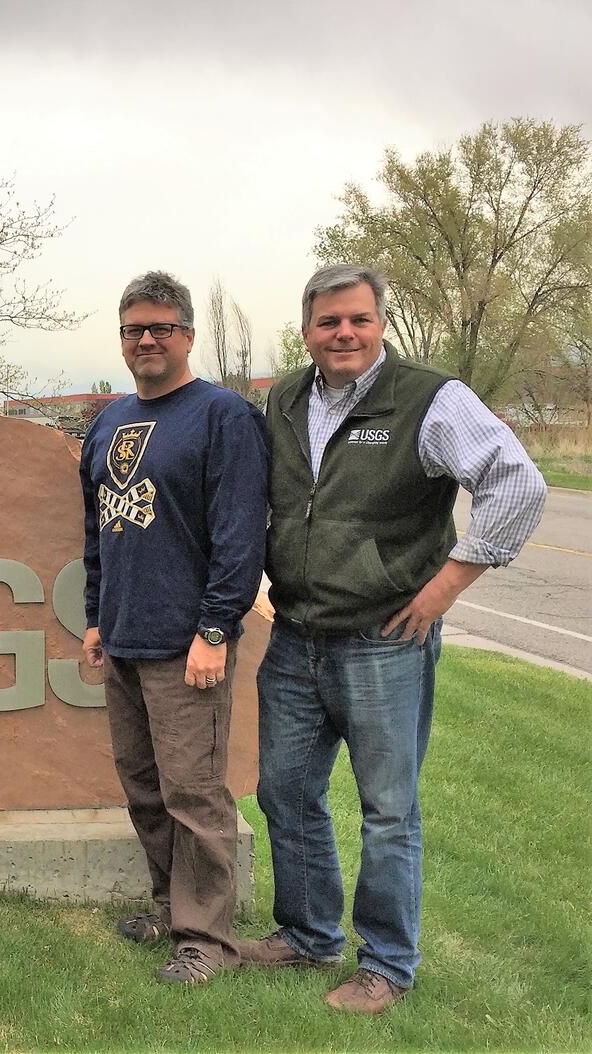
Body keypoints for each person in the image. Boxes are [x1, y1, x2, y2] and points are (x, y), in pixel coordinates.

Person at [245, 264, 547, 1013]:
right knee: (284, 790)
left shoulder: (430, 399)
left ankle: (386, 964)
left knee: (388, 810)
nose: (342, 333)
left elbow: (517, 483)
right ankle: (308, 934)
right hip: (295, 635)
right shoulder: (284, 397)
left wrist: (447, 584)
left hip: (384, 641)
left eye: (357, 319)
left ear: (381, 323)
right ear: (308, 329)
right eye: (327, 322)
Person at [79, 272, 268, 984]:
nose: (147, 339)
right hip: (125, 637)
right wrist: (96, 617)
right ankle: (168, 906)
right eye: (134, 329)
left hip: (186, 644)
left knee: (194, 794)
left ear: (187, 334)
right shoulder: (107, 420)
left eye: (161, 327)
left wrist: (216, 629)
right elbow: (97, 529)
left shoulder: (223, 416)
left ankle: (206, 939)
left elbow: (241, 534)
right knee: (145, 790)